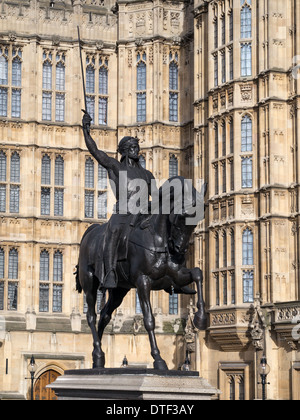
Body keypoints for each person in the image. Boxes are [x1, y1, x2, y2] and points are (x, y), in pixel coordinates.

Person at [81, 111, 155, 288]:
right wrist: (86, 130)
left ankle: (170, 271)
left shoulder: (146, 174)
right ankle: (110, 272)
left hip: (144, 213)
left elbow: (158, 197)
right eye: (132, 147)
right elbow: (97, 153)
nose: (136, 150)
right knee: (113, 231)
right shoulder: (117, 167)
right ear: (124, 151)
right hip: (124, 213)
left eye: (137, 147)